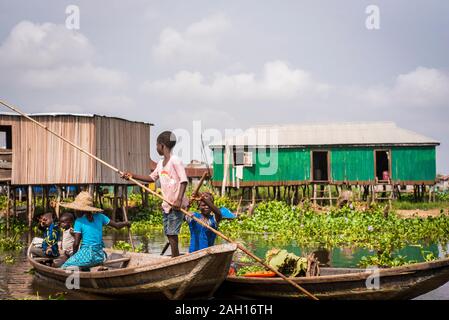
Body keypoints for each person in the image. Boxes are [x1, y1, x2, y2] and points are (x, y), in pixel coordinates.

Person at [122, 131, 188, 257]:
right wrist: (132, 176)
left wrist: (179, 200)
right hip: (167, 205)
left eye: (157, 145)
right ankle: (176, 256)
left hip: (176, 204)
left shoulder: (175, 161)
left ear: (162, 146)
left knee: (172, 233)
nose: (156, 148)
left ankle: (175, 258)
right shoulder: (160, 164)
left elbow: (184, 181)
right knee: (168, 232)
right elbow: (152, 178)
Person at [59, 191, 131, 269]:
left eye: (75, 210)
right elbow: (117, 226)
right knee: (83, 266)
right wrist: (126, 223)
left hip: (87, 255)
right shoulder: (100, 216)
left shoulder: (79, 221)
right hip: (100, 255)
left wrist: (73, 256)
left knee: (64, 266)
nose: (74, 212)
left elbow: (76, 244)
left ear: (80, 210)